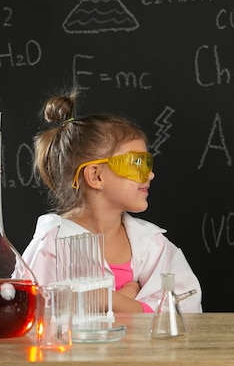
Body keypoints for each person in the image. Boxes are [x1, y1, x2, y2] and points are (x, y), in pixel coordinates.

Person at [22, 89, 202, 313]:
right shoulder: (50, 245)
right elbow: (31, 315)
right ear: (96, 176)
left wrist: (108, 300)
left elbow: (185, 310)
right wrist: (130, 299)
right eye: (136, 163)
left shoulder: (153, 245)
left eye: (148, 163)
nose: (150, 175)